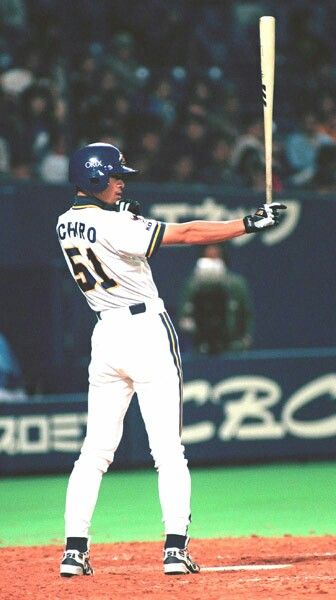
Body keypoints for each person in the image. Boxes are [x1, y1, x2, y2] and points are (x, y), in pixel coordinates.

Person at [56, 142, 286, 577]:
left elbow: (106, 228)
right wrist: (248, 223)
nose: (121, 181)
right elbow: (186, 234)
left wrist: (122, 214)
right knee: (168, 450)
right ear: (93, 178)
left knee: (93, 451)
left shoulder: (65, 222)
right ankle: (176, 549)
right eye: (114, 176)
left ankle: (73, 550)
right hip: (145, 332)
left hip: (105, 335)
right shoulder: (116, 226)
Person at [178, 244, 253, 354]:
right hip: (200, 346)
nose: (212, 262)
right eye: (209, 258)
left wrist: (245, 339)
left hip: (232, 343)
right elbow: (184, 316)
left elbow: (246, 314)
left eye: (216, 257)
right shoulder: (192, 285)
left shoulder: (236, 284)